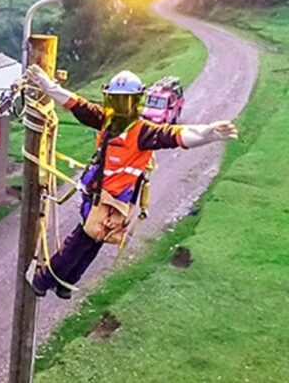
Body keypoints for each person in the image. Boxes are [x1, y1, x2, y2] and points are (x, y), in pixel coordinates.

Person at [26, 66, 238, 299]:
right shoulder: (107, 121)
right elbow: (77, 105)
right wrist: (50, 87)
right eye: (115, 102)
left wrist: (208, 133)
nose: (118, 108)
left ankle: (43, 280)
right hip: (110, 198)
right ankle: (66, 284)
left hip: (110, 200)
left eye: (123, 102)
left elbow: (177, 135)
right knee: (94, 240)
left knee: (82, 239)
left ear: (135, 102)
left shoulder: (143, 132)